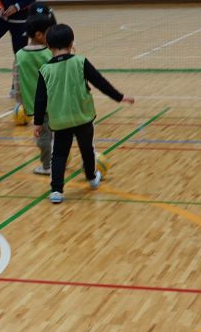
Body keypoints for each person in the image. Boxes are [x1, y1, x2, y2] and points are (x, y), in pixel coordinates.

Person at [34, 24, 133, 203]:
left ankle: (56, 190)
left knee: (59, 154)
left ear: (48, 45)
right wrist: (120, 97)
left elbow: (40, 99)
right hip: (83, 117)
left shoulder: (45, 69)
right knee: (87, 149)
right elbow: (100, 82)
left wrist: (38, 122)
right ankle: (90, 178)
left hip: (60, 120)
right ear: (72, 43)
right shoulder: (80, 61)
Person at [12, 10, 57, 175]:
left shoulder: (19, 55)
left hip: (34, 103)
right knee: (52, 133)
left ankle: (48, 165)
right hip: (54, 101)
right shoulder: (49, 53)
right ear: (39, 35)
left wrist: (19, 101)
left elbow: (16, 80)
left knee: (43, 136)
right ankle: (54, 161)